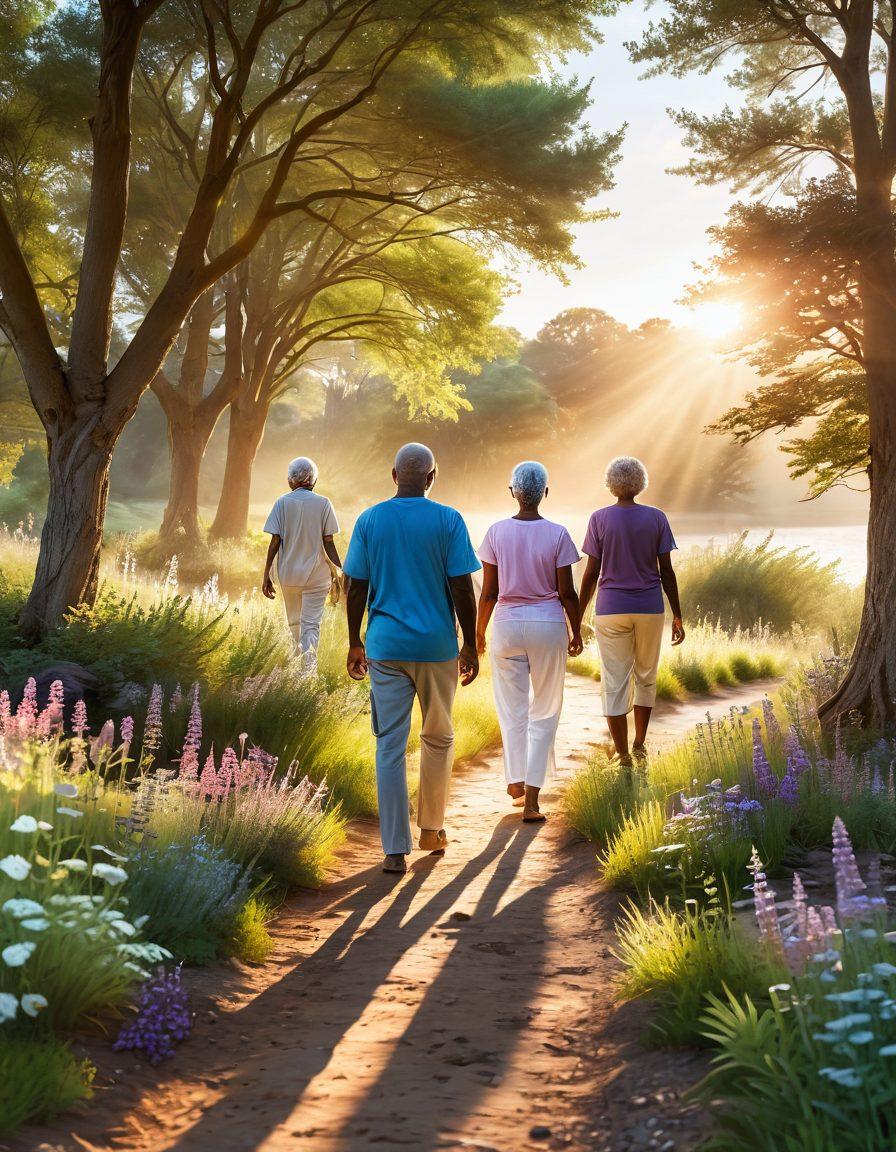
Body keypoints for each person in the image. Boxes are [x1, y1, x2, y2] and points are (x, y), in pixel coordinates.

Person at [343, 443, 480, 874]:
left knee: (389, 746)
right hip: (437, 648)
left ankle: (393, 850)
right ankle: (431, 830)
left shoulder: (369, 520)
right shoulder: (448, 520)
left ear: (393, 474)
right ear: (431, 477)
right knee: (437, 738)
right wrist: (471, 644)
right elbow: (462, 586)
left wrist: (354, 641)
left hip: (385, 648)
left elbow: (355, 586)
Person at [476, 462, 583, 823]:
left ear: (512, 492)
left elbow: (489, 592)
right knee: (546, 709)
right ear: (545, 493)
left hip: (505, 625)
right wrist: (577, 630)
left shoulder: (495, 532)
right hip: (548, 624)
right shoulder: (558, 534)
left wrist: (478, 633)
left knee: (512, 708)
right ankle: (533, 800)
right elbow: (567, 592)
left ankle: (515, 779)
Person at [578, 456, 685, 764]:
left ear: (611, 484)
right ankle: (639, 742)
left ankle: (622, 753)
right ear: (641, 482)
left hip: (610, 609)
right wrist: (677, 614)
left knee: (614, 679)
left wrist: (578, 613)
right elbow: (666, 570)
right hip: (650, 608)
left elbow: (591, 573)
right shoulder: (657, 518)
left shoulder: (599, 518)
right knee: (646, 676)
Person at [262, 456, 342, 673]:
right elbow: (329, 543)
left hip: (288, 576)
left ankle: (298, 673)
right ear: (313, 481)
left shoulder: (281, 503)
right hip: (317, 577)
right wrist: (342, 570)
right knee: (311, 626)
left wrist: (266, 575)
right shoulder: (324, 503)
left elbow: (275, 541)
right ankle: (307, 676)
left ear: (290, 480)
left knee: (295, 625)